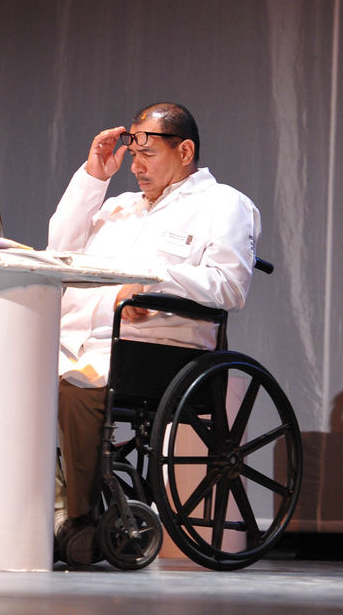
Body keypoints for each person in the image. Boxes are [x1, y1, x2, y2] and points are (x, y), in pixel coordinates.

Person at [48, 102, 260, 565]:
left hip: (152, 349)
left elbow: (230, 285)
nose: (136, 166)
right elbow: (59, 251)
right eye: (133, 154)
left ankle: (79, 521)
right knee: (10, 381)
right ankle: (34, 512)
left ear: (184, 151)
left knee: (77, 388)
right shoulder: (119, 206)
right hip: (73, 340)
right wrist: (93, 177)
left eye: (148, 153)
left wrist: (157, 282)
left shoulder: (223, 204)